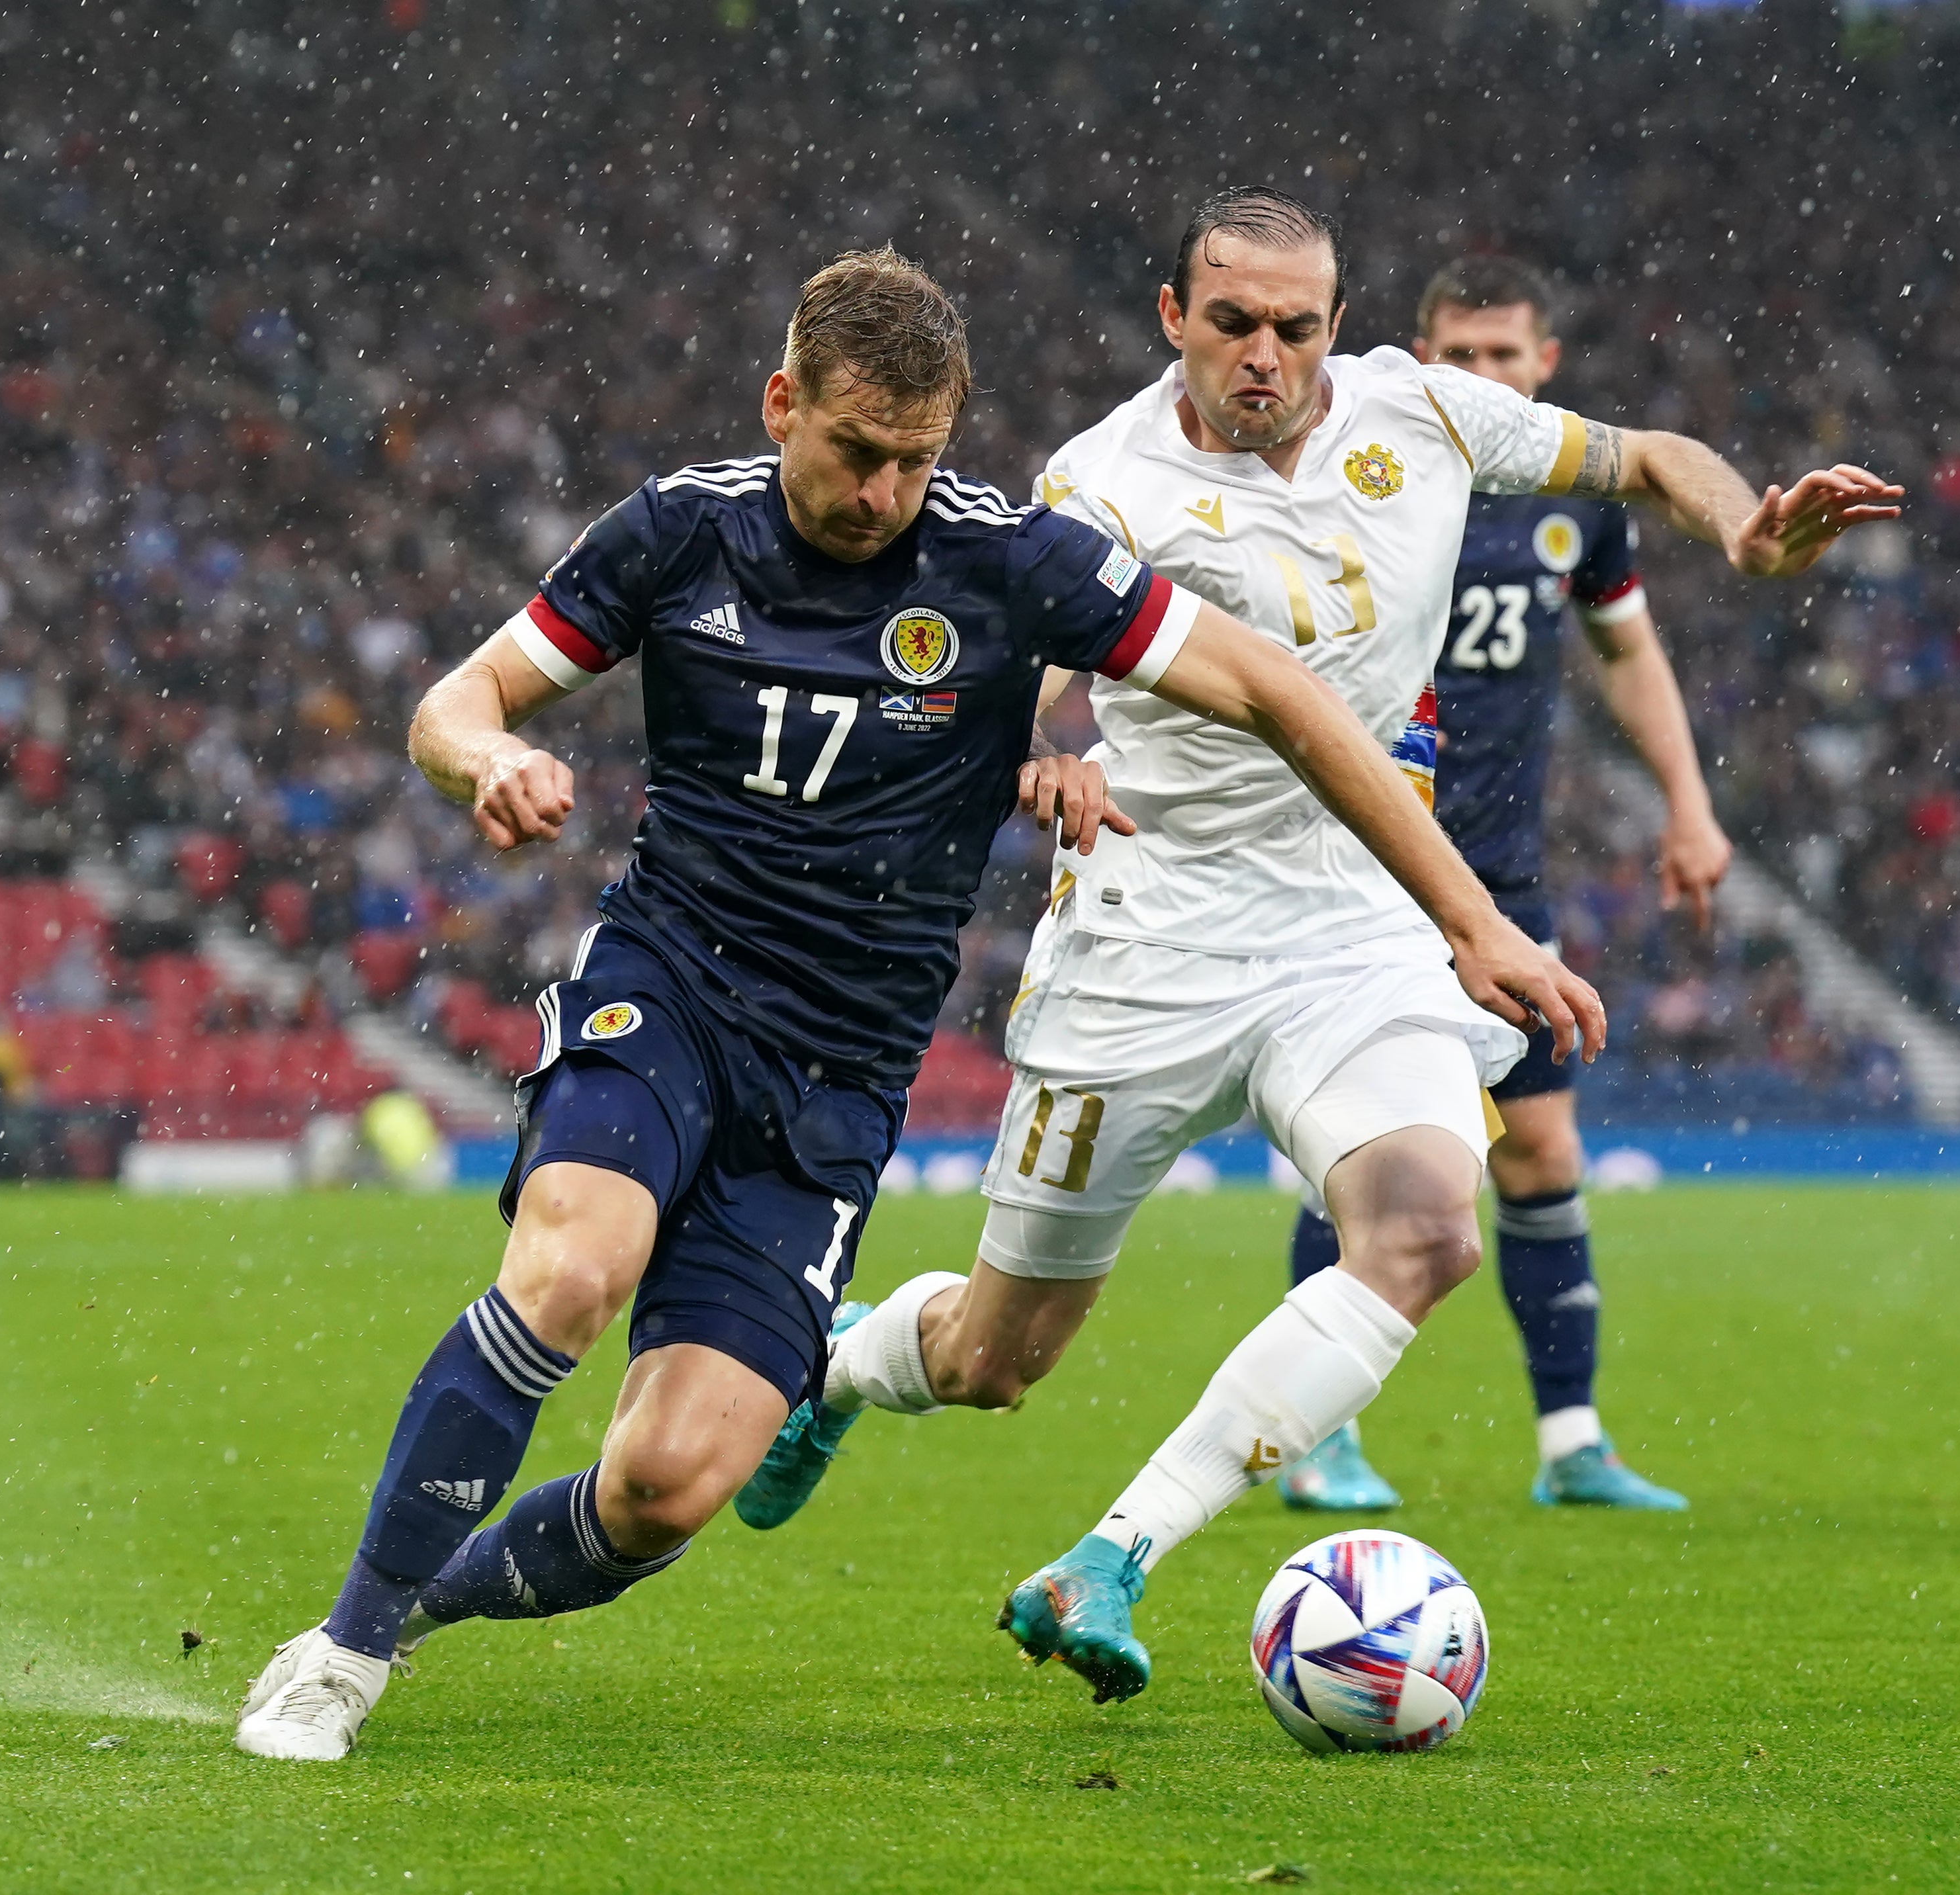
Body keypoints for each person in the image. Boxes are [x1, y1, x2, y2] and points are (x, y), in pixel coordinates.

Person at [234, 245, 1597, 1761]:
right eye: (854, 453)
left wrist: (1470, 924)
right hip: (672, 986)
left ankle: (416, 1607)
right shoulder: (681, 533)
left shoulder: (1012, 562)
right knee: (570, 1272)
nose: (883, 492)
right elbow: (456, 700)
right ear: (781, 404)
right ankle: (341, 1649)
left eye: (916, 460)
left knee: (662, 1488)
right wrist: (487, 761)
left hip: (836, 1079)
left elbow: (1281, 692)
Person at [738, 189, 1896, 1705]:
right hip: (1150, 933)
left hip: (1354, 920)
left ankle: (1113, 1556)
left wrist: (1739, 528)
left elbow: (1641, 457)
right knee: (991, 1360)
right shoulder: (1098, 481)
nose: (1266, 352)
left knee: (1425, 1233)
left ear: (1336, 326)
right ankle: (841, 1356)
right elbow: (1016, 663)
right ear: (1175, 320)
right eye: (1233, 322)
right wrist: (1049, 753)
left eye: (1296, 324)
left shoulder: (1425, 413)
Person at [1275, 255, 1732, 1516]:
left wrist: (1690, 806)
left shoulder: (1577, 508)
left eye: (1503, 357)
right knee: (1361, 1160)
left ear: (1545, 370)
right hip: (1361, 873)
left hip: (1505, 875)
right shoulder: (1361, 476)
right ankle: (1321, 1439)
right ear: (1414, 358)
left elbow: (1625, 649)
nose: (1480, 377)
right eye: (1457, 356)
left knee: (1536, 1147)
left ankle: (1573, 1443)